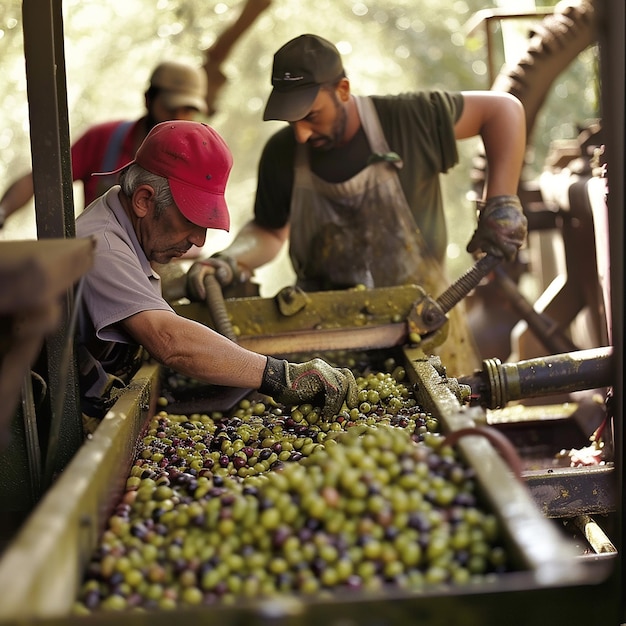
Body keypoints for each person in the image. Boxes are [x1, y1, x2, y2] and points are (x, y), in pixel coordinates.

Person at [187, 34, 528, 375]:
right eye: (293, 122)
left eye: (312, 116)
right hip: (326, 339)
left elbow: (503, 110)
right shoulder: (282, 152)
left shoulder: (408, 118)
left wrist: (501, 202)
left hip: (427, 325)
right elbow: (269, 230)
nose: (302, 134)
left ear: (343, 90)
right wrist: (232, 259)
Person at [75, 119, 357, 425]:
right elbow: (169, 342)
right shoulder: (102, 247)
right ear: (144, 199)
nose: (199, 241)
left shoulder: (124, 226)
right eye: (190, 222)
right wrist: (283, 377)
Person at [0, 0, 271, 227]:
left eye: (187, 110)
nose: (177, 118)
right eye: (171, 107)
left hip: (164, 265)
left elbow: (216, 58)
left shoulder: (200, 152)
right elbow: (43, 178)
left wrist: (252, 12)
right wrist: (2, 213)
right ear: (148, 99)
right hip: (101, 257)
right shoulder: (104, 139)